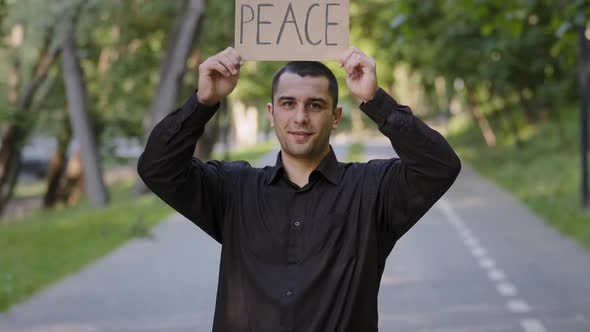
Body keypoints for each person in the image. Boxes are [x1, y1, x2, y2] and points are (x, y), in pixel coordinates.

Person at [137, 46, 461, 332]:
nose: (300, 117)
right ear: (272, 113)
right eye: (288, 103)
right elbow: (158, 168)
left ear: (335, 117)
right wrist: (203, 102)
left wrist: (376, 100)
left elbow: (439, 166)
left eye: (315, 105)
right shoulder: (233, 190)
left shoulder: (373, 191)